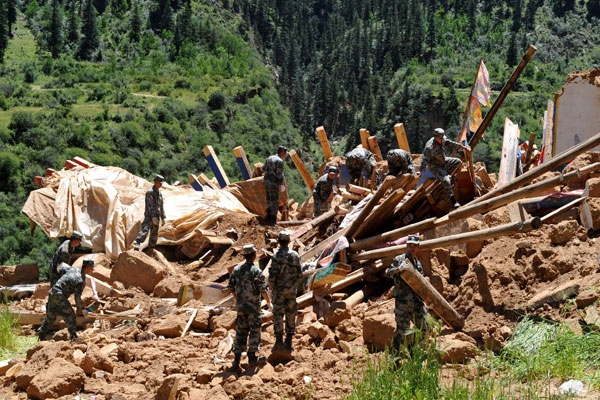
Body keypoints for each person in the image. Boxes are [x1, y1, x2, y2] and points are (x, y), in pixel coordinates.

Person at [228, 244, 271, 371]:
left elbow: (230, 287)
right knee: (254, 331)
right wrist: (268, 301)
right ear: (253, 256)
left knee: (240, 332)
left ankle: (236, 361)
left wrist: (237, 298)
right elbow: (262, 289)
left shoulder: (236, 270)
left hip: (241, 307)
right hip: (253, 308)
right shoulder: (256, 271)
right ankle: (252, 358)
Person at [385, 235, 428, 352]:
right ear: (406, 246)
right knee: (402, 331)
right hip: (403, 302)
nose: (412, 248)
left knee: (424, 328)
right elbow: (389, 272)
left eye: (414, 246)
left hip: (417, 302)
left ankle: (413, 351)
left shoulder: (418, 264)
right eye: (409, 245)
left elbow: (421, 283)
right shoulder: (399, 259)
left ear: (418, 247)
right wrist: (398, 269)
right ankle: (394, 360)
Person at [38, 259, 95, 341]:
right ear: (87, 268)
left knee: (51, 316)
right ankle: (73, 336)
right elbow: (77, 297)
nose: (93, 270)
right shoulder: (80, 281)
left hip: (52, 292)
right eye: (92, 268)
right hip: (59, 295)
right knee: (70, 315)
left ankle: (41, 333)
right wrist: (82, 310)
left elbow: (61, 267)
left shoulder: (73, 269)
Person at [419, 128, 471, 209]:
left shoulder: (442, 139)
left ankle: (446, 175)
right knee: (446, 180)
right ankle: (453, 201)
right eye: (440, 138)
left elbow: (450, 143)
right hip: (435, 167)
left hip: (443, 161)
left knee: (458, 162)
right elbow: (425, 160)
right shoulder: (429, 147)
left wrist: (463, 147)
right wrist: (421, 171)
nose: (442, 140)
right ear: (436, 138)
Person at [269, 231, 302, 352]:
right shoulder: (295, 255)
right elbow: (300, 274)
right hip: (291, 290)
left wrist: (271, 286)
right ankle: (289, 339)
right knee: (291, 312)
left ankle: (278, 340)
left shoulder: (276, 257)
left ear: (278, 242)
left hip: (279, 291)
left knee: (278, 314)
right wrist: (294, 285)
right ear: (289, 242)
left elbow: (272, 275)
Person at [133, 174, 166, 251]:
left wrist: (163, 217)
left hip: (157, 216)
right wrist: (153, 216)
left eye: (161, 183)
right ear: (155, 182)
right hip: (149, 215)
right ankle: (137, 243)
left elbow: (161, 206)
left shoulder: (160, 194)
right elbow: (150, 205)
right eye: (159, 183)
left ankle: (151, 248)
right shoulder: (150, 192)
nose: (161, 184)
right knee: (145, 229)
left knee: (154, 233)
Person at [263, 146, 287, 224]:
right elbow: (279, 174)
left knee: (269, 198)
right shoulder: (279, 161)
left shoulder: (269, 158)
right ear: (282, 152)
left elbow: (263, 168)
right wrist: (281, 184)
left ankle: (268, 216)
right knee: (275, 200)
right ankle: (272, 219)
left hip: (266, 181)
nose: (285, 154)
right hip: (274, 183)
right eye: (285, 152)